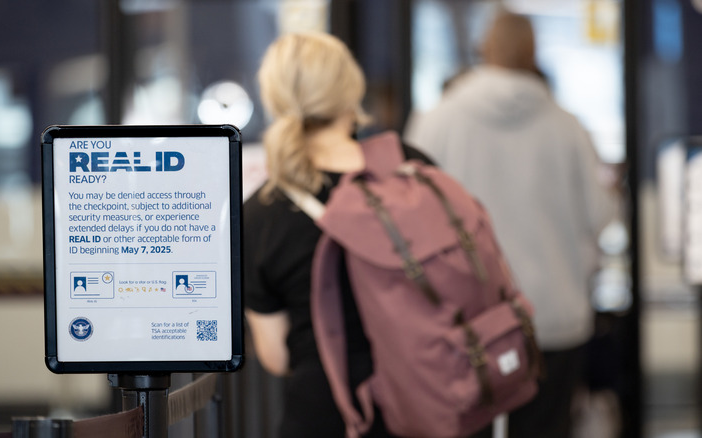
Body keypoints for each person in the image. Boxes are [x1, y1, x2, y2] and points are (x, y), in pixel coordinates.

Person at [243, 32, 475, 438]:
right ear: (351, 92)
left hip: (326, 417)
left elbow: (278, 356)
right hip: (429, 406)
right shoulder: (412, 170)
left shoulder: (261, 213)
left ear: (276, 101)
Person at [404, 10, 617, 438]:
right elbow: (602, 216)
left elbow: (408, 219)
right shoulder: (568, 127)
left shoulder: (438, 120)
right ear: (533, 52)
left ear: (485, 48)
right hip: (554, 320)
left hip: (466, 323)